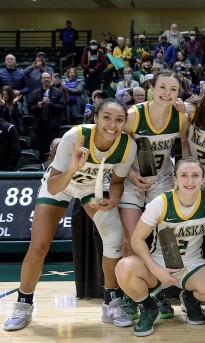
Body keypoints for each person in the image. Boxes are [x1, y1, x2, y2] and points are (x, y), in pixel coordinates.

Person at [3, 99, 137, 331]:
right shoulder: (75, 137)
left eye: (119, 119)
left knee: (114, 235)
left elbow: (116, 182)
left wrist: (113, 199)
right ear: (95, 118)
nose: (112, 124)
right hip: (60, 183)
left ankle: (111, 303)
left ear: (125, 123)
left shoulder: (127, 145)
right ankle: (23, 304)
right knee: (39, 245)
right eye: (106, 117)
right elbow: (54, 186)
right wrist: (73, 168)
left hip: (89, 188)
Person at [115, 157, 205, 336]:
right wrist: (156, 270)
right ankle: (149, 307)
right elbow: (136, 239)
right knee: (123, 267)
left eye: (195, 175)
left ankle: (189, 299)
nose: (190, 181)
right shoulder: (161, 202)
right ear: (175, 179)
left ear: (203, 179)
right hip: (160, 261)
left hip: (193, 263)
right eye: (184, 175)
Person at [119, 70, 190, 259]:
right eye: (163, 87)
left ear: (178, 93)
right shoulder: (133, 115)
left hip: (162, 179)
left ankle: (165, 285)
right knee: (131, 239)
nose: (167, 93)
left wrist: (181, 177)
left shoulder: (181, 117)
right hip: (132, 178)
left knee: (167, 238)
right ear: (151, 88)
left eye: (173, 89)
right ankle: (131, 286)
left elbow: (184, 148)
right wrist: (130, 175)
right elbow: (117, 149)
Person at [27, 72, 66, 161]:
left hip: (53, 126)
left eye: (48, 78)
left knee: (54, 150)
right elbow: (29, 108)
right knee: (40, 150)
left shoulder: (58, 92)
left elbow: (62, 107)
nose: (46, 80)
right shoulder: (34, 93)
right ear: (41, 80)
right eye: (44, 78)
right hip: (39, 127)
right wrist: (37, 106)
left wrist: (50, 104)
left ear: (51, 79)